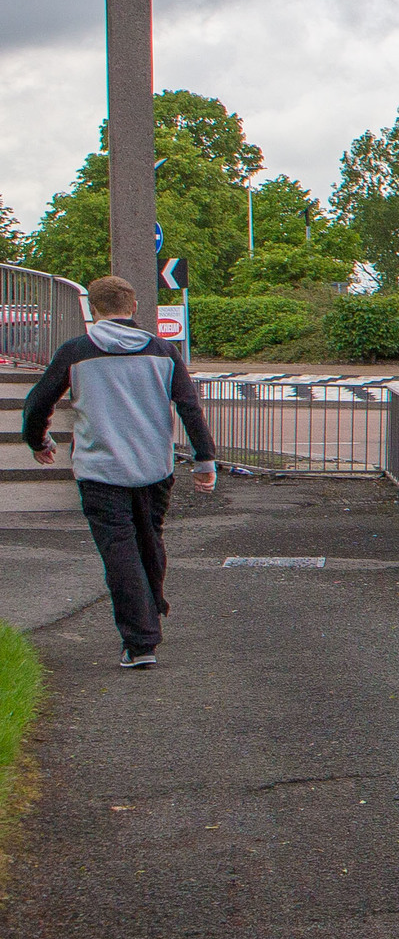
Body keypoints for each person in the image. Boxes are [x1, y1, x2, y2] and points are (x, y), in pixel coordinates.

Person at [21, 274, 218, 670]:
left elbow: (38, 401)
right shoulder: (163, 351)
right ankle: (151, 607)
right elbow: (189, 406)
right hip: (154, 468)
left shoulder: (75, 352)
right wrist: (204, 460)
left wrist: (38, 441)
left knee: (120, 553)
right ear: (134, 308)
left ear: (93, 310)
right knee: (150, 540)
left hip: (100, 470)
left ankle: (141, 641)